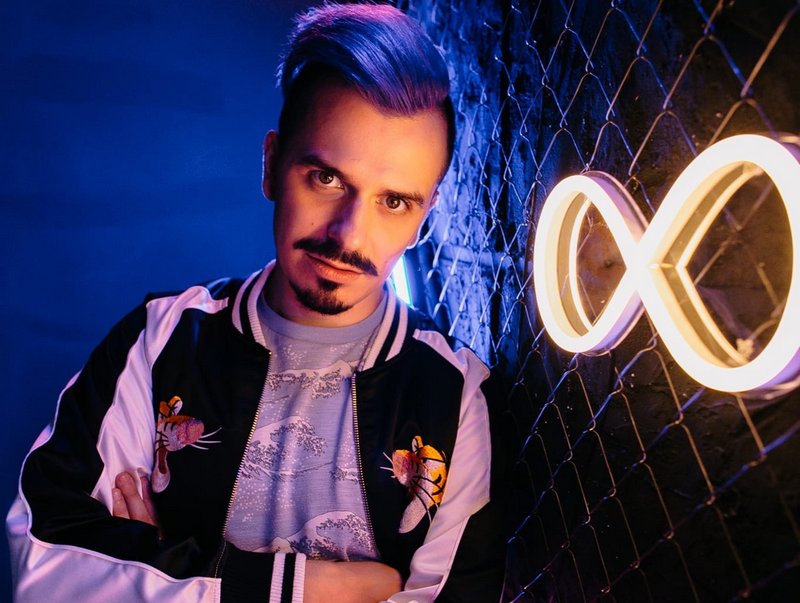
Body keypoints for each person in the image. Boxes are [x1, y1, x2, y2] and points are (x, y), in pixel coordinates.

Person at [7, 3, 506, 602]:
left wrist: (166, 571)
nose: (349, 234)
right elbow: (45, 565)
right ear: (271, 165)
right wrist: (322, 587)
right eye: (326, 179)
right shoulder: (162, 338)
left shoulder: (455, 393)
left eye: (393, 201)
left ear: (423, 216)